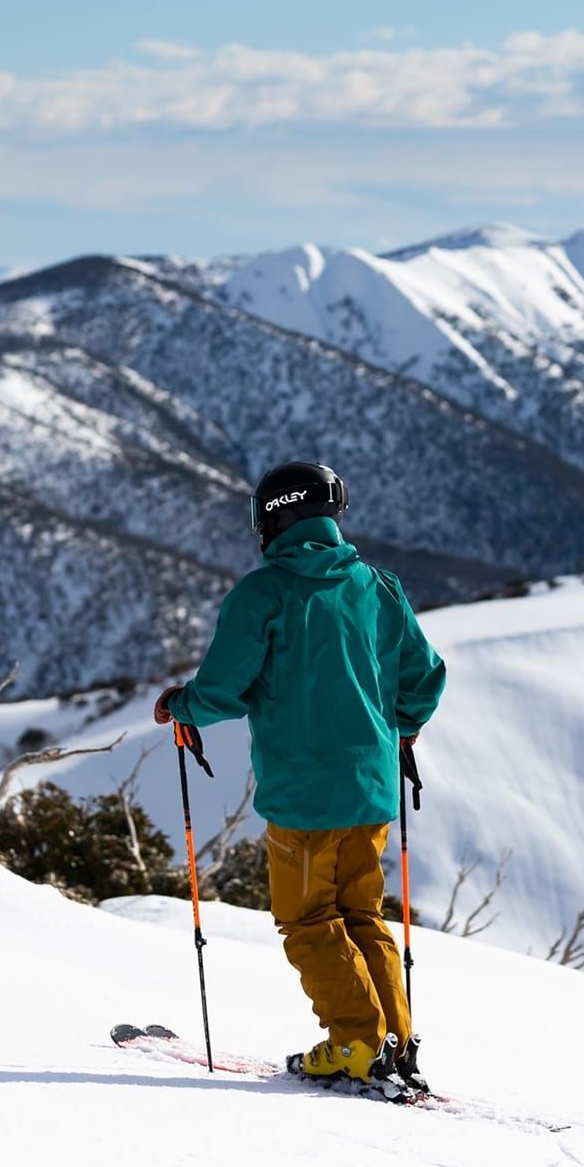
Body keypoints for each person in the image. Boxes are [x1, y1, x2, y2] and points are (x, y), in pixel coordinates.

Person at [156, 461, 446, 1088]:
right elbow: (424, 677)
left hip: (303, 796)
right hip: (371, 788)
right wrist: (401, 727)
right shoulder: (378, 585)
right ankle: (393, 1040)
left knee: (310, 919)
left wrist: (180, 706)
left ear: (271, 518)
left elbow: (223, 691)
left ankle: (355, 1046)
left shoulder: (264, 594)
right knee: (361, 914)